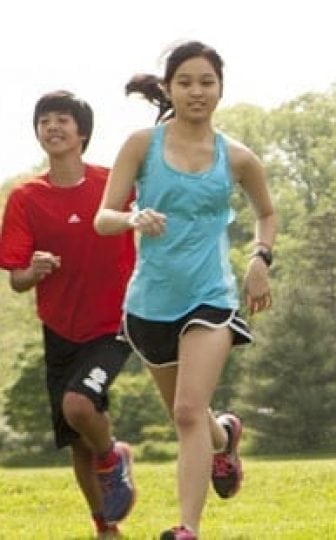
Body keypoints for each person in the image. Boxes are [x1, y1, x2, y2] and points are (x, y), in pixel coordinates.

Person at [93, 40, 277, 540]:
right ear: (170, 88)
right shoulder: (141, 145)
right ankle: (226, 438)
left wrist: (260, 258)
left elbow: (266, 213)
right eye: (186, 82)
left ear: (220, 88)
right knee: (194, 418)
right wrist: (132, 215)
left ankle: (187, 528)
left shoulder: (237, 157)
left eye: (206, 82)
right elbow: (103, 218)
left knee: (187, 412)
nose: (197, 91)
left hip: (210, 297)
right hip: (150, 304)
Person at [0, 90, 138, 539]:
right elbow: (17, 280)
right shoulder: (25, 198)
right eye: (44, 121)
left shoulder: (113, 185)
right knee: (77, 440)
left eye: (62, 120)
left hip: (114, 324)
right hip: (59, 329)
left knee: (79, 406)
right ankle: (106, 527)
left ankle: (114, 456)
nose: (52, 127)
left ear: (82, 133)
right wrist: (33, 270)